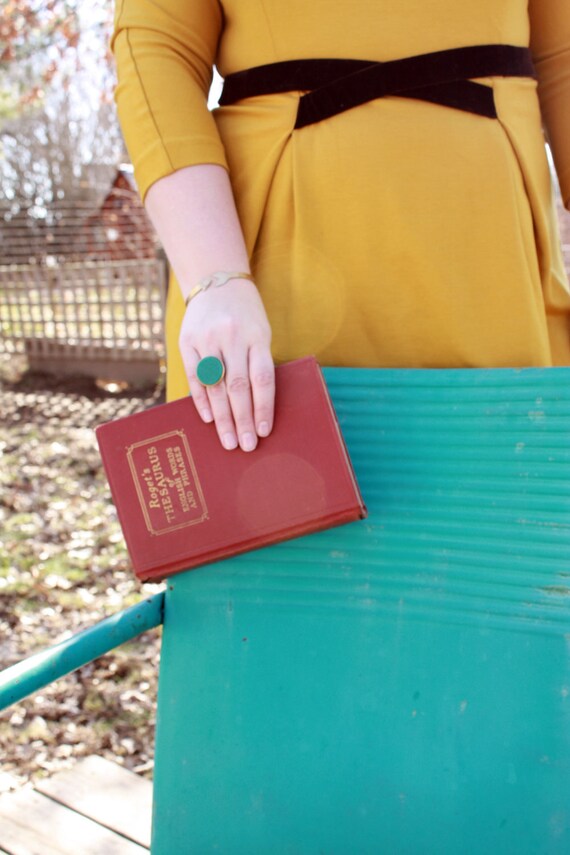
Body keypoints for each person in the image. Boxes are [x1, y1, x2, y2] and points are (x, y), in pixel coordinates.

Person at [111, 1, 570, 453]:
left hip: (499, 268)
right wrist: (215, 278)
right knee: (274, 502)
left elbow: (563, 56)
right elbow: (155, 49)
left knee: (512, 499)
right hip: (264, 281)